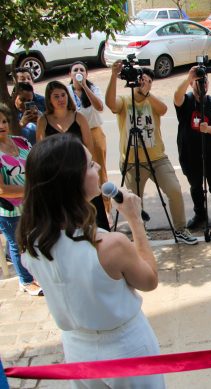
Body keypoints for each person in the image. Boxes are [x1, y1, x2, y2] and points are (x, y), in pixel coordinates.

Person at [19, 134, 165, 388]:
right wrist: (135, 221)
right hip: (125, 348)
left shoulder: (31, 240)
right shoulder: (109, 245)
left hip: (77, 350)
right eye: (89, 164)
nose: (97, 166)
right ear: (70, 180)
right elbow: (149, 280)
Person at [106, 61, 198, 245]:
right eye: (141, 80)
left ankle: (180, 229)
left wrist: (147, 93)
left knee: (174, 190)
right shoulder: (124, 101)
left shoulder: (152, 100)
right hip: (131, 162)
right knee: (134, 201)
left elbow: (163, 110)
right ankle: (140, 231)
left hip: (157, 159)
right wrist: (113, 77)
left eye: (148, 81)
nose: (143, 83)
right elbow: (110, 104)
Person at [36, 81, 110, 231]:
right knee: (68, 218)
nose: (61, 99)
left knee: (95, 212)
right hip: (59, 176)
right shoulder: (43, 121)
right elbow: (41, 150)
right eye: (56, 96)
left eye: (63, 95)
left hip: (81, 171)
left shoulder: (79, 117)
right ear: (49, 99)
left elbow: (89, 147)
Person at [174, 66, 211, 241]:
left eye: (204, 82)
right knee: (196, 188)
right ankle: (200, 214)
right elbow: (176, 98)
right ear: (192, 84)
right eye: (198, 82)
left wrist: (207, 129)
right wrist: (188, 78)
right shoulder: (186, 101)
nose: (202, 85)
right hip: (190, 156)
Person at [0, 103, 42, 296]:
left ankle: (37, 274)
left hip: (31, 205)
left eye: (3, 121)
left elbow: (36, 162)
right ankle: (25, 281)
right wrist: (30, 188)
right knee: (17, 245)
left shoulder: (20, 141)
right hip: (9, 210)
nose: (2, 125)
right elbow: (2, 189)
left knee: (35, 240)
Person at [67, 61, 111, 214]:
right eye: (75, 70)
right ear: (70, 74)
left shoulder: (92, 88)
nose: (78, 72)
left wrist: (84, 86)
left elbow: (99, 107)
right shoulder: (66, 91)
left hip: (94, 132)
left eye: (82, 70)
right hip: (76, 134)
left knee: (100, 172)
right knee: (80, 172)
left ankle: (106, 210)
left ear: (86, 74)